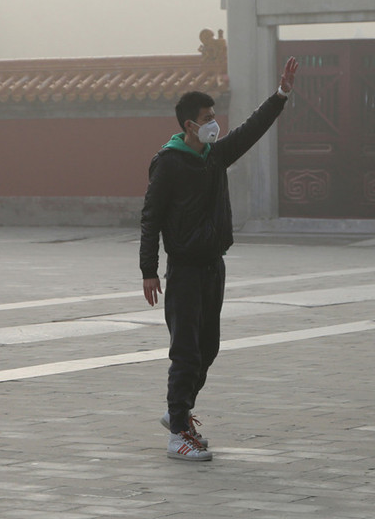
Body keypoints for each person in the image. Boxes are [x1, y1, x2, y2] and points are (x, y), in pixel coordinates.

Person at [140, 57, 298, 461]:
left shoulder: (213, 156)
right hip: (185, 268)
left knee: (209, 346)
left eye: (214, 115)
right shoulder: (169, 163)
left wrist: (280, 95)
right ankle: (178, 434)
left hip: (214, 264)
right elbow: (151, 217)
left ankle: (179, 411)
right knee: (186, 351)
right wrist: (148, 270)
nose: (215, 122)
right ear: (190, 125)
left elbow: (251, 131)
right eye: (208, 117)